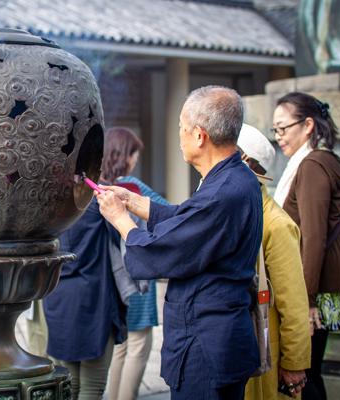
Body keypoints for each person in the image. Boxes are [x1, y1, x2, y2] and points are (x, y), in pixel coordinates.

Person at [96, 85, 263, 400]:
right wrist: (133, 202)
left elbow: (163, 250)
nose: (179, 137)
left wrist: (120, 219)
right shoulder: (237, 178)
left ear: (200, 135)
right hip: (221, 335)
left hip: (206, 342)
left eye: (181, 129)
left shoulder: (222, 192)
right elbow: (188, 219)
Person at [272, 92, 340, 400]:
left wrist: (306, 303)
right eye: (275, 130)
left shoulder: (311, 166)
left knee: (302, 378)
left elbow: (312, 238)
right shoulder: (319, 162)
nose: (279, 137)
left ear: (307, 125)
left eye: (283, 128)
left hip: (311, 294)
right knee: (307, 376)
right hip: (317, 291)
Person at [237, 124, 311, 399]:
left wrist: (294, 364)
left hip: (265, 354)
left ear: (243, 162)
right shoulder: (231, 212)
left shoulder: (277, 224)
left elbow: (293, 304)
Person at [101, 127, 169, 400]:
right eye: (134, 154)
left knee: (120, 347)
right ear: (124, 155)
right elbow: (166, 209)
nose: (136, 160)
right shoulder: (131, 186)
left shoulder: (100, 186)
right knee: (139, 345)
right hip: (136, 276)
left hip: (112, 280)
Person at [43, 186, 127, 399]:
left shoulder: (47, 205)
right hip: (94, 297)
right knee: (93, 385)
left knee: (70, 385)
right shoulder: (95, 204)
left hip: (58, 296)